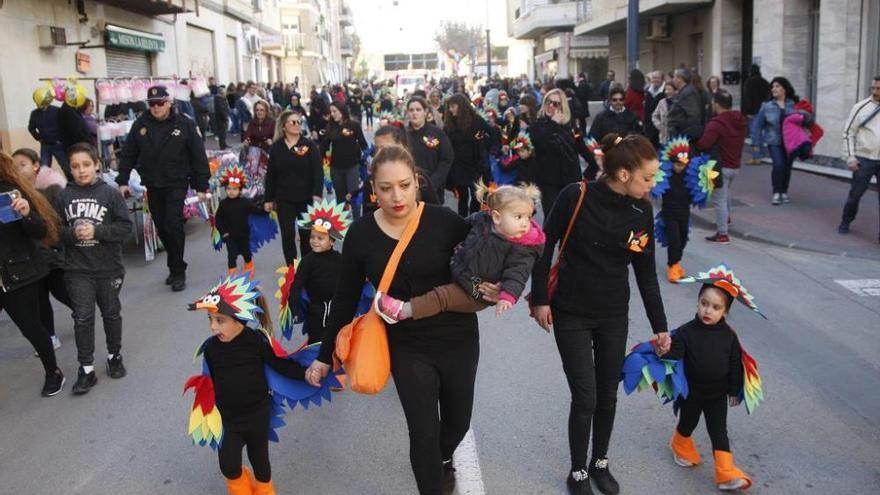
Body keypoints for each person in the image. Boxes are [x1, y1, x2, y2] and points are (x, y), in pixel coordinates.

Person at [307, 145, 493, 495]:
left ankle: (442, 459)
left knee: (455, 423)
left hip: (457, 338)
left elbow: (483, 259)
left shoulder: (445, 222)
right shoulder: (361, 234)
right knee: (423, 432)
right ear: (373, 189)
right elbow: (345, 298)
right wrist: (323, 355)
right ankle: (432, 483)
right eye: (386, 187)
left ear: (416, 183)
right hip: (407, 345)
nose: (397, 196)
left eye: (405, 185)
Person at [529, 134, 670, 495]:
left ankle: (599, 462)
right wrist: (542, 299)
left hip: (612, 314)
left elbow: (645, 273)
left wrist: (660, 328)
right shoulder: (575, 196)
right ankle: (577, 470)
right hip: (571, 312)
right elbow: (543, 249)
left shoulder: (642, 210)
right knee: (586, 396)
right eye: (647, 178)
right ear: (623, 174)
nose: (652, 185)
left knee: (608, 394)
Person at [186, 272, 330, 495]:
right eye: (210, 320)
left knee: (261, 464)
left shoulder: (256, 341)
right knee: (229, 466)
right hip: (229, 419)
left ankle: (264, 490)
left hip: (257, 416)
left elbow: (281, 366)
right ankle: (242, 490)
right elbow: (210, 382)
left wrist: (306, 373)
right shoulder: (212, 350)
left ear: (239, 320)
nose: (213, 327)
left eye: (220, 320)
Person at [653, 265, 763, 491]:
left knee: (718, 430)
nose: (708, 310)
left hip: (717, 395)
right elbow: (676, 354)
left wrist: (734, 390)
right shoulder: (686, 331)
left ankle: (725, 473)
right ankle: (680, 444)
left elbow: (734, 363)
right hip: (692, 393)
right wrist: (664, 350)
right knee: (688, 423)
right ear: (697, 302)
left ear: (725, 311)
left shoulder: (729, 336)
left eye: (715, 307)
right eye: (704, 303)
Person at [375, 181, 544, 323]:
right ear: (497, 217)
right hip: (461, 270)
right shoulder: (483, 220)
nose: (525, 224)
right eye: (519, 217)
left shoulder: (522, 248)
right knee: (431, 272)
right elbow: (461, 225)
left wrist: (507, 296)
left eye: (528, 217)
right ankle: (401, 291)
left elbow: (517, 274)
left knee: (442, 297)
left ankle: (401, 311)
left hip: (477, 291)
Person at [55, 143, 132, 394]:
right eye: (75, 166)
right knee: (82, 318)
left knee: (111, 313)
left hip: (108, 267)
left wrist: (97, 230)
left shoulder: (110, 194)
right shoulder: (63, 196)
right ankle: (86, 369)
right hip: (78, 269)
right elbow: (55, 232)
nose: (81, 170)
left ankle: (114, 355)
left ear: (97, 164)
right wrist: (72, 233)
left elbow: (125, 228)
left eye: (86, 164)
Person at [116, 85, 211, 291]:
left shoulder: (184, 124)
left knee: (173, 224)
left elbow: (198, 157)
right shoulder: (141, 124)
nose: (156, 107)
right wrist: (123, 180)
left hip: (177, 182)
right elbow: (129, 153)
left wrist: (201, 185)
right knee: (162, 226)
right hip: (152, 183)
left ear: (169, 102)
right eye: (152, 104)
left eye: (160, 103)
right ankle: (173, 263)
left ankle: (178, 271)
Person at [0, 151, 66, 397]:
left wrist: (26, 213)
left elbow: (40, 231)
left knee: (32, 328)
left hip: (19, 273)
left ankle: (53, 372)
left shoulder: (9, 192)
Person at [12, 148, 69, 351]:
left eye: (22, 164)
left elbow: (58, 224)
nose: (18, 169)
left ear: (35, 165)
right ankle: (50, 335)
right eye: (14, 165)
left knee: (62, 292)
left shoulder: (52, 187)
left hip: (51, 253)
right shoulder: (13, 192)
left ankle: (83, 314)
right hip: (31, 259)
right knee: (40, 299)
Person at [264, 110, 324, 264]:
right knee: (288, 234)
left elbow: (318, 171)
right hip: (284, 199)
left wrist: (317, 193)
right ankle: (291, 269)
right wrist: (268, 198)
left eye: (299, 122)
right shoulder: (276, 148)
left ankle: (306, 266)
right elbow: (271, 175)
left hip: (306, 199)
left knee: (305, 234)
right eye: (293, 122)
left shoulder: (309, 145)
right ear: (284, 126)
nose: (297, 125)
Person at [287, 199, 350, 344]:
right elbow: (297, 284)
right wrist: (294, 308)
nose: (314, 241)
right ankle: (314, 362)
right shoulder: (308, 261)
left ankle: (336, 363)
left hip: (336, 308)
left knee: (338, 340)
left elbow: (350, 279)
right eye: (312, 237)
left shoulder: (340, 259)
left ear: (332, 241)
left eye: (320, 238)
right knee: (316, 340)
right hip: (315, 309)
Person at [696, 91, 748, 244]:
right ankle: (726, 219)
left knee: (719, 199)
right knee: (726, 194)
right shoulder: (740, 120)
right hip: (735, 165)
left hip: (720, 167)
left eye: (713, 103)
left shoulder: (716, 124)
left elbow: (704, 144)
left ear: (717, 104)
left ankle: (722, 233)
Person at [528, 88, 588, 215]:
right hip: (549, 181)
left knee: (571, 218)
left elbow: (582, 148)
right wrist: (554, 124)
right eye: (548, 102)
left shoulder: (570, 126)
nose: (550, 106)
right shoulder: (537, 125)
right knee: (552, 218)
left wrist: (594, 167)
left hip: (571, 180)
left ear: (562, 107)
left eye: (555, 103)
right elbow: (540, 143)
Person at [838, 76, 880, 239]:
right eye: (874, 88)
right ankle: (846, 221)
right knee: (855, 195)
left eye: (879, 89)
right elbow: (848, 132)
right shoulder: (860, 107)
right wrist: (850, 157)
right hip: (864, 159)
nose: (875, 92)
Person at [750, 77, 798, 205]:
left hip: (790, 142)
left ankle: (784, 191)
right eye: (772, 87)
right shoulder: (766, 106)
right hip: (773, 141)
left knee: (787, 167)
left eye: (777, 86)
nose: (774, 89)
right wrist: (756, 143)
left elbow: (801, 123)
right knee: (778, 164)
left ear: (784, 88)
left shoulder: (792, 105)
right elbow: (758, 126)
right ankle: (776, 192)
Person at [444, 93, 493, 216]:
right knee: (463, 197)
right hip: (458, 165)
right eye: (449, 107)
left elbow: (491, 133)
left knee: (477, 194)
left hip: (475, 164)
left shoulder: (475, 120)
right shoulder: (449, 124)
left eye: (453, 106)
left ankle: (474, 217)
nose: (450, 110)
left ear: (461, 106)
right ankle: (462, 222)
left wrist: (482, 141)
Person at [215, 166, 267, 275]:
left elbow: (256, 211)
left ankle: (249, 267)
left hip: (243, 235)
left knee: (246, 253)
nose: (231, 192)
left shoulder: (245, 202)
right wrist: (223, 233)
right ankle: (233, 274)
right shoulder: (223, 204)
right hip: (229, 236)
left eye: (234, 189)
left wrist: (265, 210)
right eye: (229, 189)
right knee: (231, 255)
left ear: (240, 190)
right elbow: (218, 219)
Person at [404, 96, 454, 202]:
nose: (414, 113)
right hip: (409, 190)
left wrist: (433, 182)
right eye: (411, 110)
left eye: (418, 109)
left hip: (433, 189)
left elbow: (446, 158)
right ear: (407, 113)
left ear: (425, 112)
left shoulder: (437, 133)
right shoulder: (402, 135)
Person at [325, 101, 369, 216]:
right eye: (331, 112)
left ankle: (357, 224)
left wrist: (368, 159)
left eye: (335, 111)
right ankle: (342, 226)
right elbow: (323, 147)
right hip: (336, 168)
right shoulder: (330, 127)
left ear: (342, 111)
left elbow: (364, 144)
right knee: (340, 199)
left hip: (352, 167)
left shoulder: (354, 125)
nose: (332, 114)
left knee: (354, 198)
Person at [28, 86, 67, 171]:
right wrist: (39, 138)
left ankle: (71, 183)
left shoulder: (57, 111)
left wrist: (60, 139)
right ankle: (44, 183)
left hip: (58, 144)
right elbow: (31, 128)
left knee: (66, 167)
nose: (38, 105)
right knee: (44, 168)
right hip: (45, 145)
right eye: (37, 103)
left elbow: (64, 126)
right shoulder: (34, 114)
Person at [667, 68, 704, 139]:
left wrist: (682, 131)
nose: (673, 79)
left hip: (683, 135)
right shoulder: (683, 91)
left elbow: (693, 115)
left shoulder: (688, 92)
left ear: (680, 78)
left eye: (674, 77)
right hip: (678, 132)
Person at [643, 71, 667, 146]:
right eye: (653, 78)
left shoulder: (666, 91)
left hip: (661, 128)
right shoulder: (648, 91)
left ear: (662, 79)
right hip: (649, 128)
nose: (655, 80)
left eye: (657, 78)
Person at [214, 86, 231, 150]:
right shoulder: (218, 99)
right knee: (222, 133)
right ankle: (222, 146)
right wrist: (225, 118)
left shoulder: (223, 98)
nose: (226, 92)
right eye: (224, 91)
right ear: (221, 92)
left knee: (224, 132)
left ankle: (224, 144)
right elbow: (221, 110)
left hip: (224, 117)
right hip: (221, 118)